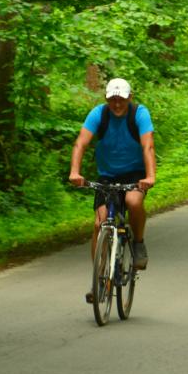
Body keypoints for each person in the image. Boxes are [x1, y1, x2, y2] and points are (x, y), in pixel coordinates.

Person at [69, 78, 156, 302]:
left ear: (130, 98)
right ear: (106, 98)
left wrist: (149, 176)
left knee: (133, 202)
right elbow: (80, 143)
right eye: (112, 99)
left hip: (134, 174)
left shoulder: (139, 114)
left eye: (121, 99)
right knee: (99, 225)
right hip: (107, 176)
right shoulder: (99, 114)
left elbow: (148, 146)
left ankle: (138, 243)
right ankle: (99, 280)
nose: (117, 104)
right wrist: (75, 172)